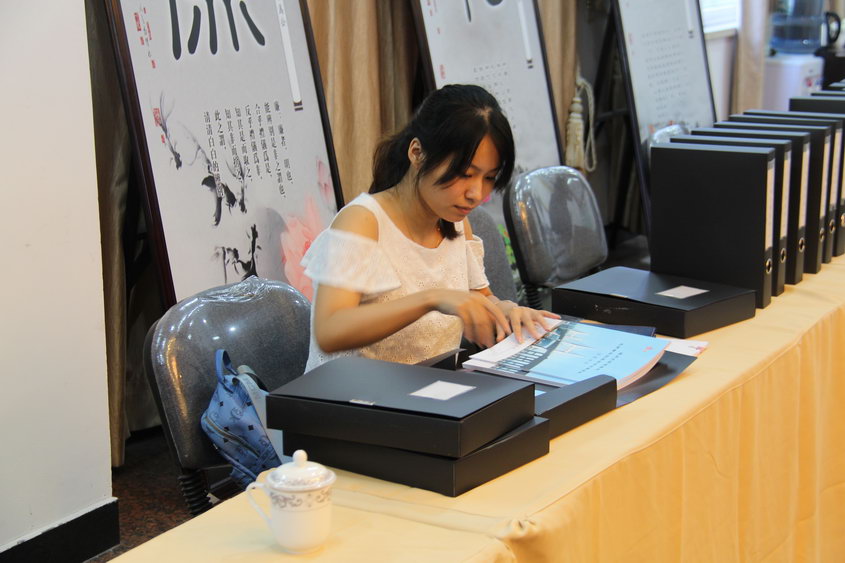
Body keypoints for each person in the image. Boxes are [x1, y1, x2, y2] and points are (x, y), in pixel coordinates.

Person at [301, 84, 558, 371]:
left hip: (430, 387)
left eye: (489, 178)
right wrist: (431, 298)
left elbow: (477, 297)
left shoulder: (456, 222)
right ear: (417, 153)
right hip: (350, 392)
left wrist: (505, 310)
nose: (476, 193)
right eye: (465, 173)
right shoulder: (362, 222)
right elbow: (329, 332)